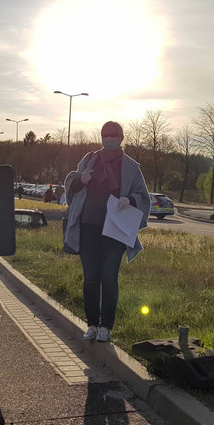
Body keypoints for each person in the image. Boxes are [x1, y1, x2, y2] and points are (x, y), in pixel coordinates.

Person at [63, 121, 150, 343]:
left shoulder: (131, 167)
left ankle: (106, 327)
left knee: (109, 278)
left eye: (113, 135)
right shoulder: (89, 159)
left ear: (121, 138)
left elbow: (142, 196)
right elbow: (71, 186)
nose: (108, 138)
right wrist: (80, 180)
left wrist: (128, 199)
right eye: (105, 134)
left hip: (116, 231)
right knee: (91, 278)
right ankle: (92, 324)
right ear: (100, 136)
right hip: (88, 227)